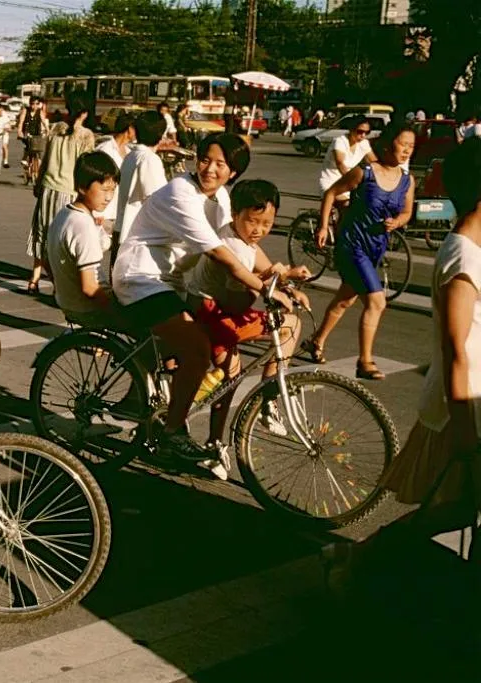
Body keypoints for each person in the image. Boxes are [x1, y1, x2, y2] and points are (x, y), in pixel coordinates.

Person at [325, 137, 481, 579]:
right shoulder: (463, 260)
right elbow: (455, 355)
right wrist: (467, 440)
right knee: (447, 511)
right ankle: (357, 561)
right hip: (462, 410)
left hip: (470, 402)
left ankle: (359, 562)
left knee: (456, 510)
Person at [112, 133, 283, 461]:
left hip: (174, 283)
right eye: (205, 160)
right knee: (197, 349)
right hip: (142, 279)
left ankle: (191, 428)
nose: (210, 169)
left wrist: (280, 277)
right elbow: (221, 253)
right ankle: (172, 433)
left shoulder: (221, 200)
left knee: (218, 355)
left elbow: (241, 241)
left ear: (233, 172)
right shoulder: (182, 192)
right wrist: (262, 288)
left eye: (221, 164)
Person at [186, 179, 311, 470]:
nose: (259, 230)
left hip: (214, 307)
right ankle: (266, 400)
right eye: (253, 221)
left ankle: (217, 442)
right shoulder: (236, 247)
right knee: (284, 328)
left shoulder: (244, 240)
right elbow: (237, 302)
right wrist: (269, 290)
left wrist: (288, 282)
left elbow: (267, 272)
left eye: (267, 223)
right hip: (211, 310)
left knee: (233, 374)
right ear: (235, 215)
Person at [303, 122, 417, 380]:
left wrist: (397, 222)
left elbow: (407, 212)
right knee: (377, 301)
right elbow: (332, 193)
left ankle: (315, 340)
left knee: (346, 298)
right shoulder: (364, 173)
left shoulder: (408, 180)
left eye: (412, 146)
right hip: (352, 243)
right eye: (403, 144)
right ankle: (364, 361)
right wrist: (323, 227)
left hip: (377, 246)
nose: (407, 150)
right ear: (388, 144)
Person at [25, 90, 95, 294]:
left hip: (48, 188)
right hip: (69, 193)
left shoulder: (56, 129)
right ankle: (59, 285)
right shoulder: (86, 136)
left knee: (42, 235)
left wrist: (38, 183)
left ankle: (34, 279)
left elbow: (45, 161)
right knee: (61, 241)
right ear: (84, 113)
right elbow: (85, 170)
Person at [46, 151, 120, 328]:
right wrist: (117, 311)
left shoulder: (64, 214)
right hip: (89, 309)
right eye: (104, 190)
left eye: (113, 190)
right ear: (82, 187)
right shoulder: (82, 224)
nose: (109, 197)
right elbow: (89, 287)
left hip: (67, 302)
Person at [113, 110, 168, 265]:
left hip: (122, 229)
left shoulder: (131, 156)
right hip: (136, 237)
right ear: (161, 135)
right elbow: (157, 200)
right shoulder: (150, 159)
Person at [94, 114, 135, 248]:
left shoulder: (130, 152)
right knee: (97, 249)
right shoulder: (105, 149)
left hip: (120, 211)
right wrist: (96, 212)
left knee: (117, 253)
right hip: (103, 212)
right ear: (129, 129)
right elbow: (95, 181)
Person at [319, 115, 377, 206]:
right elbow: (340, 163)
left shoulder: (364, 143)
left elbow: (375, 162)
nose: (363, 135)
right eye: (360, 131)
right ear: (351, 129)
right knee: (348, 205)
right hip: (331, 183)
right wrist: (353, 180)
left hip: (349, 185)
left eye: (367, 132)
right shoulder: (340, 141)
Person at [17, 95, 48, 184]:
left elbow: (44, 122)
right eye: (32, 104)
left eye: (36, 104)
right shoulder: (25, 111)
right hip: (26, 133)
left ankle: (35, 171)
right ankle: (24, 160)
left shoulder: (40, 112)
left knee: (37, 150)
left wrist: (47, 130)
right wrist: (19, 131)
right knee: (28, 148)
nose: (34, 106)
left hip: (37, 134)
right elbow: (21, 122)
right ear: (30, 104)